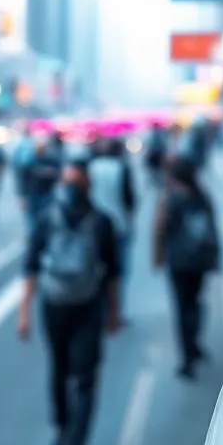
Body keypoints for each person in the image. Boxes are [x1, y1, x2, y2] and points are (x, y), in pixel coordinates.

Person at [18, 161, 120, 445]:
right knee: (85, 379)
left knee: (60, 371)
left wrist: (24, 311)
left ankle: (63, 434)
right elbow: (113, 272)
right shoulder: (102, 221)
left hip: (55, 304)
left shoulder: (47, 216)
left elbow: (32, 264)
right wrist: (114, 312)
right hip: (88, 305)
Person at [153, 157, 220, 379]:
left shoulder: (169, 197)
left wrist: (157, 256)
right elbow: (212, 227)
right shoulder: (202, 196)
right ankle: (195, 344)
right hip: (199, 260)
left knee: (182, 308)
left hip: (179, 262)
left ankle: (187, 358)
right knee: (195, 302)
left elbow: (159, 229)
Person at [87, 137, 137, 320]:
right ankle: (116, 311)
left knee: (96, 268)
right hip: (118, 226)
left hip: (94, 226)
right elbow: (129, 200)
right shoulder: (122, 168)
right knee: (118, 271)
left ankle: (100, 309)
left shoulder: (91, 167)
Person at [23, 134, 63, 236]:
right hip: (33, 194)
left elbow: (59, 175)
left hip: (47, 194)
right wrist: (23, 196)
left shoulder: (52, 160)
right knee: (32, 220)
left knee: (45, 218)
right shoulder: (30, 160)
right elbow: (24, 179)